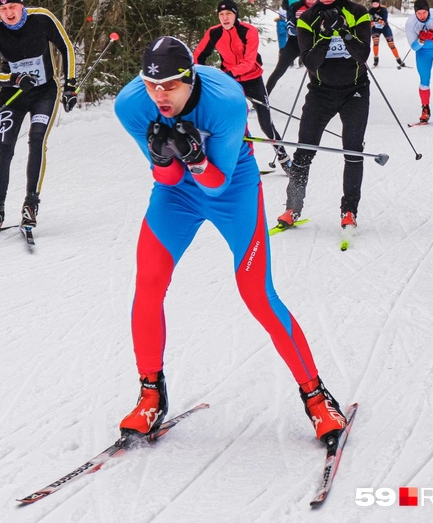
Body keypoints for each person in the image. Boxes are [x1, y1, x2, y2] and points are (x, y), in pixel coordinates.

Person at [114, 35, 348, 444]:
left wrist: (194, 158)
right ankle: (151, 393)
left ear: (189, 78)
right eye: (152, 85)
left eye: (170, 85)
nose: (159, 95)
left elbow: (217, 186)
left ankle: (316, 396)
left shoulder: (225, 99)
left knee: (257, 292)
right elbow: (166, 179)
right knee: (147, 284)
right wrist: (165, 158)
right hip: (176, 195)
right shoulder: (131, 104)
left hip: (231, 186)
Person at [276, 0, 371, 230]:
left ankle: (349, 210)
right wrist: (327, 35)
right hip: (320, 91)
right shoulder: (307, 17)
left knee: (353, 150)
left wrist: (345, 31)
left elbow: (363, 55)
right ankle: (292, 207)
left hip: (355, 90)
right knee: (304, 149)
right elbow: (309, 61)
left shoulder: (358, 12)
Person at [0, 0, 76, 231]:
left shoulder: (42, 18)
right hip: (14, 95)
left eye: (12, 6)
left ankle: (30, 205)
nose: (9, 13)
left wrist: (70, 85)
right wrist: (14, 79)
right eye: (3, 9)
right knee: (4, 148)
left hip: (45, 92)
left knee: (36, 140)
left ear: (22, 5)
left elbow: (66, 48)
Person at [194, 0, 290, 172]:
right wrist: (202, 75)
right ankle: (235, 161)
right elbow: (199, 56)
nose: (225, 18)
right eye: (221, 15)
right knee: (231, 121)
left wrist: (227, 74)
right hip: (230, 83)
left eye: (229, 14)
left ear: (236, 14)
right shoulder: (214, 32)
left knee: (266, 123)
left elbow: (248, 62)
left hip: (252, 79)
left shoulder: (248, 31)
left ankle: (283, 157)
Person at [266, 0, 318, 95]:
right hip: (294, 43)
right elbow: (289, 26)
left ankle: (320, 99)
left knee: (315, 73)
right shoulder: (296, 6)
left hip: (311, 45)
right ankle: (263, 99)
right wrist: (295, 29)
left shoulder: (320, 7)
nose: (311, 1)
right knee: (279, 70)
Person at [368, 0, 404, 68]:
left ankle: (398, 59)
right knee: (375, 42)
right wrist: (371, 23)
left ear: (379, 4)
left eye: (376, 3)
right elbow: (369, 20)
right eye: (373, 4)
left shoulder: (383, 10)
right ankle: (376, 59)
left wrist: (378, 20)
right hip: (375, 28)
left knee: (391, 44)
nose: (375, 5)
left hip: (385, 28)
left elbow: (384, 21)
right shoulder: (370, 11)